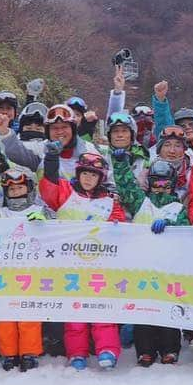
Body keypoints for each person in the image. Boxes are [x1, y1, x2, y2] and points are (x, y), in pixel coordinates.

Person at [40, 147, 125, 369]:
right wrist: (51, 159)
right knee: (74, 312)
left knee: (102, 310)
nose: (88, 179)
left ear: (101, 178)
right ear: (78, 174)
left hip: (100, 265)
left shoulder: (109, 200)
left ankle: (107, 349)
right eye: (85, 174)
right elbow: (48, 188)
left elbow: (120, 224)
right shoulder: (67, 192)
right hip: (69, 265)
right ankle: (76, 353)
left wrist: (118, 225)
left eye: (94, 175)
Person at [116, 157, 189, 365]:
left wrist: (169, 223)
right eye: (156, 182)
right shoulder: (141, 201)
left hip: (168, 267)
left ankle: (170, 348)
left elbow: (186, 227)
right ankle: (145, 350)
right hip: (142, 266)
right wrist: (119, 160)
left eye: (165, 183)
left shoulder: (178, 207)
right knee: (144, 308)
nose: (160, 187)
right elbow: (126, 186)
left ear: (173, 183)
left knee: (167, 307)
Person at [0, 169, 46, 370]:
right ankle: (9, 353)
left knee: (29, 316)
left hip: (31, 272)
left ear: (29, 188)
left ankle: (30, 352)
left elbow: (58, 227)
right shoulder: (3, 212)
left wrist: (44, 221)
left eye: (20, 187)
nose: (16, 191)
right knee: (5, 316)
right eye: (12, 189)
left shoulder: (39, 209)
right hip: (5, 272)